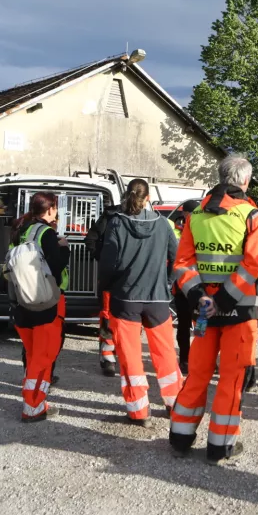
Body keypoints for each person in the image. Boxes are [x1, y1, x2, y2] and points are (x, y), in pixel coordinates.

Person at [169, 155, 258, 463]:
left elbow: (182, 264)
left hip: (203, 311)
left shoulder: (195, 215)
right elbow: (251, 266)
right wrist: (223, 300)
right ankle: (220, 445)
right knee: (232, 378)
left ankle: (180, 437)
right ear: (246, 181)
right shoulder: (253, 217)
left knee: (196, 374)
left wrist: (201, 298)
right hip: (238, 311)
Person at [98, 179, 182, 425]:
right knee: (166, 353)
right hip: (157, 299)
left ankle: (138, 412)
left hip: (126, 300)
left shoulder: (116, 223)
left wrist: (109, 286)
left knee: (130, 356)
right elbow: (176, 259)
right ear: (148, 199)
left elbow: (107, 263)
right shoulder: (163, 225)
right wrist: (166, 284)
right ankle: (175, 405)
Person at [10, 192, 69, 422]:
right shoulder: (46, 233)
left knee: (32, 353)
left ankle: (33, 399)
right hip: (46, 302)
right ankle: (33, 406)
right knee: (43, 357)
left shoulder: (20, 229)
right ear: (51, 209)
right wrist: (63, 247)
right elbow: (56, 265)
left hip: (22, 300)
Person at [85, 197, 122, 376]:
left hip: (129, 278)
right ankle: (108, 357)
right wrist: (103, 259)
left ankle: (121, 355)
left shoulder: (145, 218)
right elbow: (90, 239)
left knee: (128, 318)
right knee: (108, 316)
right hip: (112, 277)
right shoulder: (110, 216)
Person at [171, 199, 201, 375]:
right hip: (185, 286)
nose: (185, 216)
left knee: (201, 325)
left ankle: (201, 358)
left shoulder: (200, 228)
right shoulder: (177, 230)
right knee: (184, 325)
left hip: (195, 285)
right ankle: (185, 359)